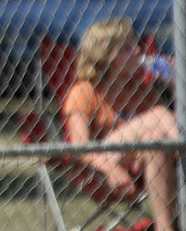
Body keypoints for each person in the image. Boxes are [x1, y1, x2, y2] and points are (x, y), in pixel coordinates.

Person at [63, 17, 178, 231]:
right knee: (160, 114)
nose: (137, 50)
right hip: (100, 168)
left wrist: (175, 86)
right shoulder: (83, 91)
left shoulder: (139, 89)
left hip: (142, 165)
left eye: (134, 45)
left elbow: (162, 135)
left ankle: (166, 228)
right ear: (107, 56)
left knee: (154, 141)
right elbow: (79, 147)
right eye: (126, 48)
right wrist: (109, 170)